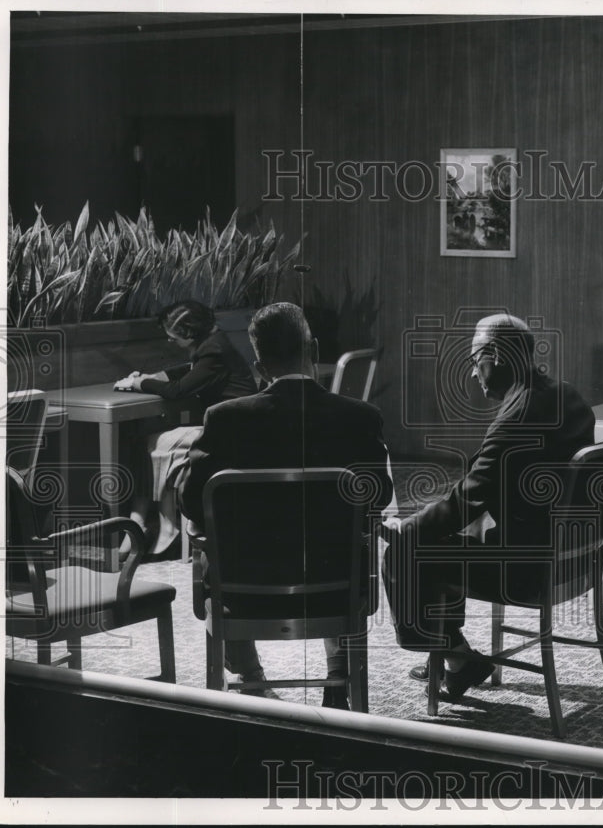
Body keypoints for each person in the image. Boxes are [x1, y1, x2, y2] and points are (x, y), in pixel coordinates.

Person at [176, 302, 393, 706]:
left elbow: (191, 503)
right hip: (337, 591)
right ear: (312, 351)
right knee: (346, 539)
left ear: (259, 367)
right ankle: (338, 675)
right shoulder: (359, 417)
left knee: (214, 549)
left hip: (243, 594)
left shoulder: (224, 418)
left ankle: (251, 679)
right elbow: (378, 498)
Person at [379, 313, 595, 701]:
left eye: (474, 359)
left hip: (526, 570)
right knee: (446, 534)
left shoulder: (516, 416)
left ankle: (458, 659)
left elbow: (468, 499)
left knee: (403, 554)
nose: (473, 373)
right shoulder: (567, 395)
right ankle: (453, 657)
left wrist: (406, 526)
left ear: (494, 355)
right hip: (571, 560)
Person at [114, 300, 257, 555]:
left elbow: (177, 390)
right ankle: (141, 520)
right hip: (231, 428)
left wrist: (140, 383)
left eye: (173, 336)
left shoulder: (214, 351)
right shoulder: (215, 344)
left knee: (153, 442)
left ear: (189, 333)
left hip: (229, 433)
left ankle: (159, 525)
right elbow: (192, 372)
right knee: (146, 438)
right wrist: (157, 376)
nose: (170, 341)